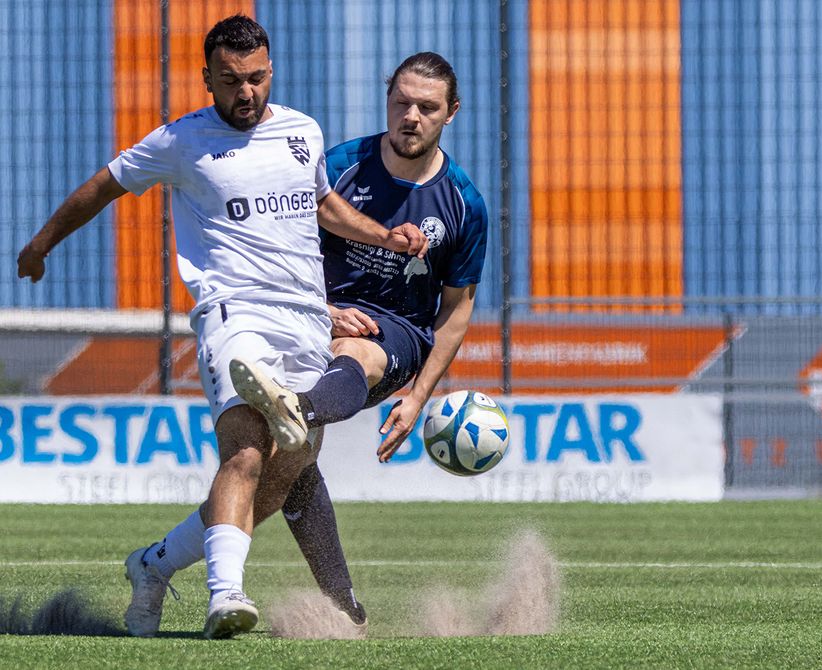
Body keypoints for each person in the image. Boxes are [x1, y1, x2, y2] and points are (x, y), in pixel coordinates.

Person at [15, 15, 426, 641]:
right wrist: (41, 244)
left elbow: (320, 204)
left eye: (256, 78)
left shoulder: (301, 133)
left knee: (282, 471)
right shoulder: (181, 141)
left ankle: (153, 566)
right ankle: (224, 595)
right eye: (231, 81)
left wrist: (384, 236)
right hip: (234, 314)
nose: (246, 93)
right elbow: (103, 187)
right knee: (244, 447)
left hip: (307, 321)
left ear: (271, 72)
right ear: (208, 78)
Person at [125, 50, 488, 637]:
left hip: (394, 333)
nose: (411, 116)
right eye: (401, 102)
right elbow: (279, 254)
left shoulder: (464, 203)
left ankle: (297, 408)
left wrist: (420, 396)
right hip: (308, 319)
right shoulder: (339, 165)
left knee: (357, 357)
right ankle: (163, 566)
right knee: (287, 471)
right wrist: (323, 310)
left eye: (427, 107)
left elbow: (457, 307)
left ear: (451, 113)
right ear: (387, 98)